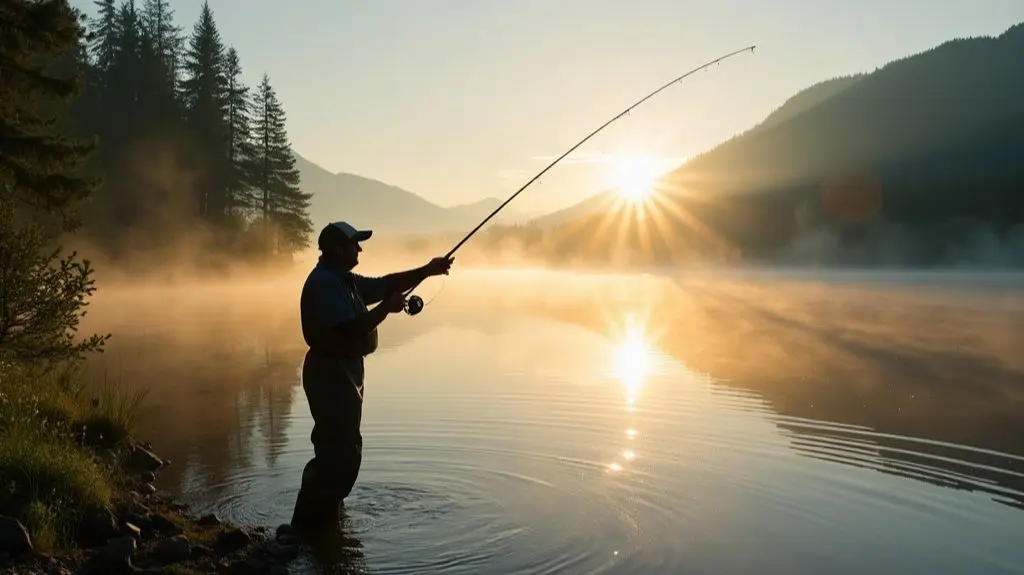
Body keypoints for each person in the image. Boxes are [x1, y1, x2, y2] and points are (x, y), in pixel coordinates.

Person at [289, 220, 453, 537]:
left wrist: (427, 270)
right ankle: (304, 530)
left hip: (345, 371)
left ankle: (326, 525)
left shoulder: (344, 280)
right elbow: (347, 328)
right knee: (338, 450)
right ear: (337, 249)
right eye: (354, 243)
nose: (360, 248)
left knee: (342, 448)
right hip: (331, 373)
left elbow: (386, 284)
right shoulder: (324, 283)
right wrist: (384, 311)